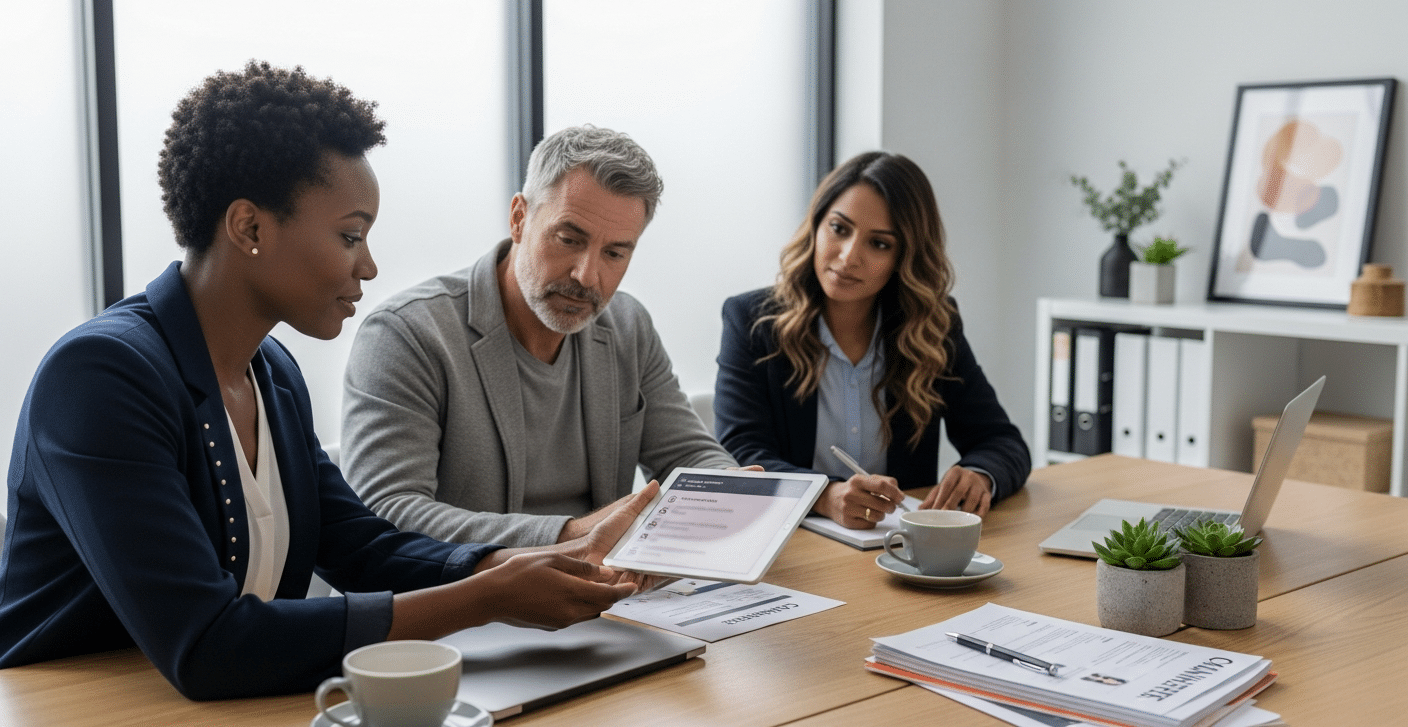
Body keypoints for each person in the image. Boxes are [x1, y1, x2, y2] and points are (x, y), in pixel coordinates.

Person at [0, 62, 656, 700]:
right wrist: (484, 598)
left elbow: (359, 546)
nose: (369, 267)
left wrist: (513, 567)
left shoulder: (272, 374)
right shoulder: (100, 377)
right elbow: (206, 643)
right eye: (349, 236)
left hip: (239, 704)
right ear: (250, 227)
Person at [341, 125, 735, 548]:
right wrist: (571, 535)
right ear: (519, 218)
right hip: (467, 602)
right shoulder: (406, 334)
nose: (587, 276)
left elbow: (689, 457)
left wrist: (739, 494)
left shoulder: (627, 326)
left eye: (615, 253)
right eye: (569, 240)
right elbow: (388, 510)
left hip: (602, 595)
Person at [713, 151, 1029, 529]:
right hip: (790, 545)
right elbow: (743, 455)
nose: (848, 258)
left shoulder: (931, 325)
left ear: (904, 256)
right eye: (839, 229)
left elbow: (1002, 442)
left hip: (896, 548)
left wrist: (980, 474)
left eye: (879, 243)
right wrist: (824, 496)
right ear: (817, 226)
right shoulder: (752, 320)